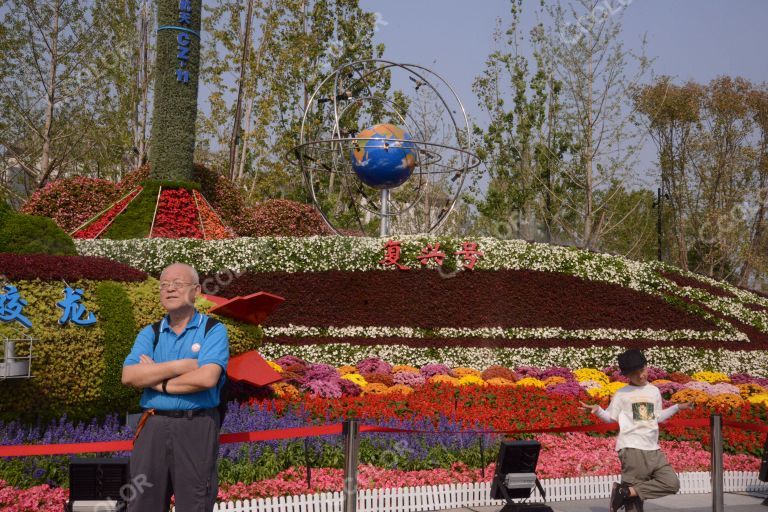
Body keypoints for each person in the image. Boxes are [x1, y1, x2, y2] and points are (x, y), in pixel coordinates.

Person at [122, 262, 229, 511]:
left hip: (197, 426)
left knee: (194, 503)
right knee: (142, 503)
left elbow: (207, 378)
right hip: (153, 427)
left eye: (178, 284)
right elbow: (129, 375)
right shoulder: (150, 333)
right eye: (164, 285)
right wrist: (183, 365)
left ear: (196, 291)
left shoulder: (213, 331)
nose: (170, 289)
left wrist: (156, 381)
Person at [580, 349, 693, 512]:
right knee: (634, 506)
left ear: (646, 367)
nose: (640, 376)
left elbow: (657, 417)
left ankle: (625, 492)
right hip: (632, 448)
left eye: (642, 370)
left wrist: (677, 407)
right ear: (627, 376)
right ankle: (627, 493)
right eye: (634, 373)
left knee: (671, 483)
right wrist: (598, 409)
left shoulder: (653, 391)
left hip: (653, 449)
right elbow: (611, 418)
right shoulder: (622, 394)